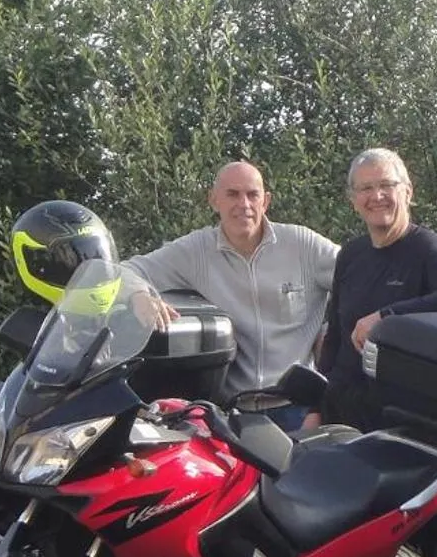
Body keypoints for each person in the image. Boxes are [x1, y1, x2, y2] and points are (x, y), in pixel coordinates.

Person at [124, 161, 339, 430]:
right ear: (214, 200)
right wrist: (139, 294)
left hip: (299, 411)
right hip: (231, 415)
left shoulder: (303, 245)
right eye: (232, 194)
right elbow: (127, 270)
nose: (244, 204)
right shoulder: (195, 252)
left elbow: (357, 277)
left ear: (266, 201)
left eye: (252, 194)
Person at [314, 147, 437, 430]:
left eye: (386, 185)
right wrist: (317, 408)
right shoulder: (351, 254)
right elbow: (335, 341)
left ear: (408, 192)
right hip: (343, 415)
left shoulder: (427, 248)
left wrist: (386, 317)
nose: (377, 196)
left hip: (402, 421)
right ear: (354, 200)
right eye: (366, 188)